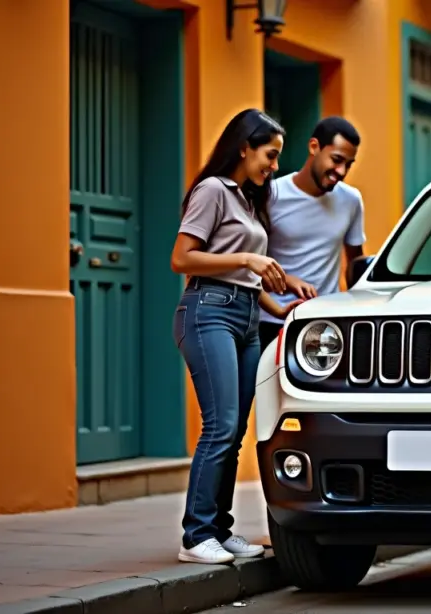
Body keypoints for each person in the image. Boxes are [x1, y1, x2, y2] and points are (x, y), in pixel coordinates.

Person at [169, 108, 303, 564]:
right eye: (270, 154)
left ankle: (219, 530)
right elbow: (183, 259)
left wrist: (280, 307)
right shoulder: (213, 191)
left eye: (278, 157)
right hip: (208, 314)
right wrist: (248, 259)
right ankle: (195, 534)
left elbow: (247, 282)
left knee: (235, 428)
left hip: (245, 316)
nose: (275, 166)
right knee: (221, 424)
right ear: (244, 146)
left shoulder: (247, 200)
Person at [258, 116, 367, 350]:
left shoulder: (351, 200)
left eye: (349, 164)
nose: (341, 171)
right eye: (337, 160)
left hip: (326, 325)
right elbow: (251, 263)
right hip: (270, 323)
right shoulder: (270, 196)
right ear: (314, 147)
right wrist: (286, 282)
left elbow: (356, 264)